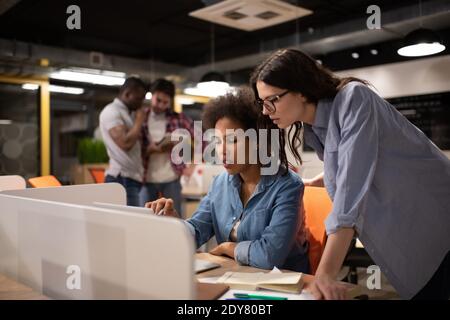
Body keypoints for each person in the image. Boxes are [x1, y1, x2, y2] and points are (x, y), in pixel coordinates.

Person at [250, 48, 450, 300]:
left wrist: (324, 275)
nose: (266, 111)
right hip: (410, 236)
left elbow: (349, 194)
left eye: (273, 99)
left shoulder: (354, 99)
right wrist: (316, 182)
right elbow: (349, 166)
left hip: (437, 222)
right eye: (262, 102)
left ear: (300, 90)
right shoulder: (315, 129)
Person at [145, 88, 310, 272]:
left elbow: (269, 255)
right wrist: (173, 223)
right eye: (217, 141)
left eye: (232, 140)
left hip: (284, 285)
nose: (222, 151)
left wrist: (228, 247)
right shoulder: (220, 183)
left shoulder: (288, 186)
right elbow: (197, 230)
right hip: (236, 277)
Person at [140, 79, 197, 216]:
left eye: (165, 102)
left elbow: (202, 138)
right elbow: (133, 149)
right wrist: (149, 150)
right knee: (145, 219)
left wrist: (192, 166)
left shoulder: (178, 118)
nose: (161, 105)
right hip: (145, 179)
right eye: (158, 100)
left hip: (172, 177)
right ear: (151, 95)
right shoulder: (141, 118)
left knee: (174, 219)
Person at [99, 77, 147, 206]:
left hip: (132, 178)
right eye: (138, 99)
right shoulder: (111, 111)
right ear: (127, 94)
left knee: (131, 223)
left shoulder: (128, 113)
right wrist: (139, 121)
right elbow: (125, 143)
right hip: (121, 179)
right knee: (130, 224)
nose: (141, 103)